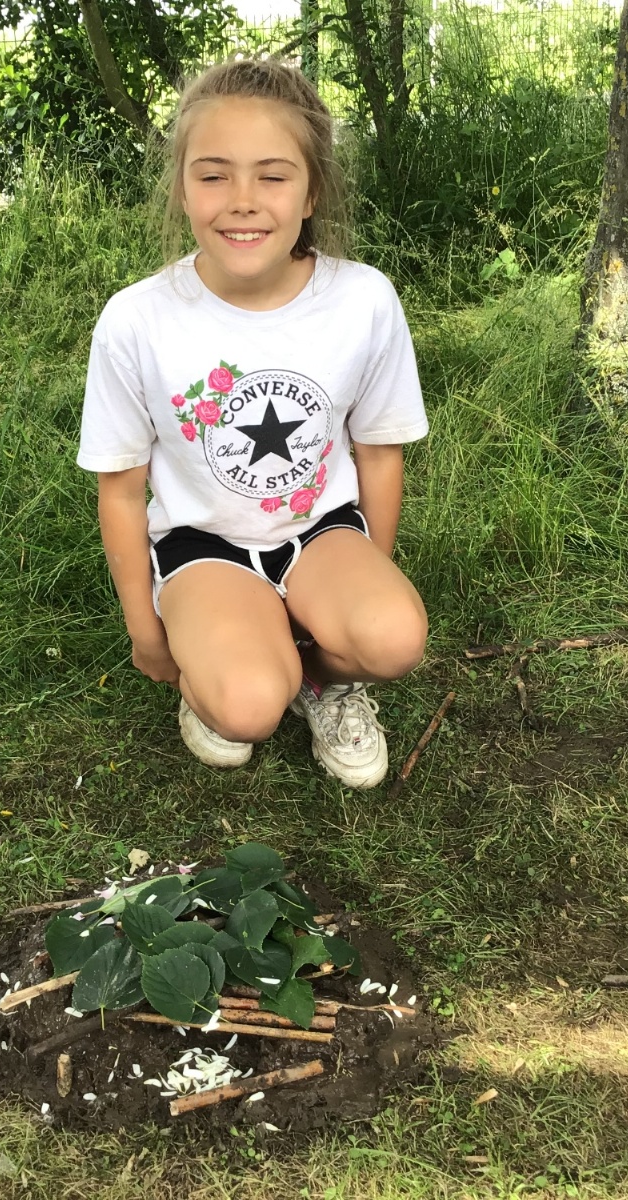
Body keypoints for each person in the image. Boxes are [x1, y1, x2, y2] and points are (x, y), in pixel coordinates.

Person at [77, 59, 429, 790]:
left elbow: (379, 454)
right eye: (213, 175)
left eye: (272, 176)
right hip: (203, 548)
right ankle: (235, 668)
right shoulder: (137, 320)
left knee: (395, 638)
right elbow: (122, 490)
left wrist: (367, 582)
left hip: (323, 532)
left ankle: (323, 683)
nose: (242, 201)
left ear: (311, 192)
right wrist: (146, 633)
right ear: (182, 188)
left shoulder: (362, 301)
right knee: (246, 708)